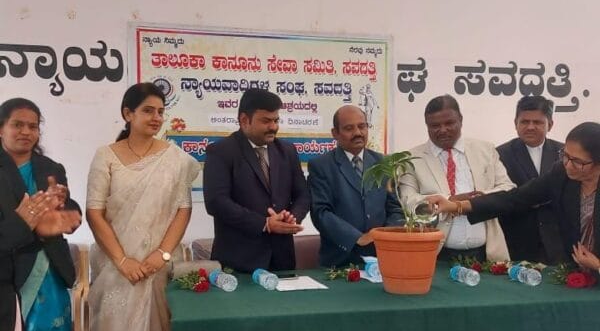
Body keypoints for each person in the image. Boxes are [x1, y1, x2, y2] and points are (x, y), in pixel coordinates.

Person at [86, 83, 199, 331]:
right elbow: (94, 212)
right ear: (128, 114)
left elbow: (183, 210)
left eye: (161, 112)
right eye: (148, 111)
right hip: (116, 270)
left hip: (157, 268)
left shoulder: (175, 158)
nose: (156, 118)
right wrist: (123, 261)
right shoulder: (106, 155)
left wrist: (161, 254)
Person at [428, 122, 600, 271]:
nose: (568, 165)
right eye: (565, 156)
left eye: (578, 162)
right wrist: (458, 206)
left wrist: (597, 265)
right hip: (576, 271)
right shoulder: (561, 173)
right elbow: (515, 199)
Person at [0, 98, 82, 331]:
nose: (26, 131)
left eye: (33, 126)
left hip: (49, 271)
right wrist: (24, 222)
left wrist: (65, 211)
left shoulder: (51, 168)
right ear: (1, 128)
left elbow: (69, 212)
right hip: (7, 279)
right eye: (17, 125)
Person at [203, 88, 310, 272]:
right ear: (244, 120)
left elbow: (303, 195)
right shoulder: (221, 152)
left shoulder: (287, 151)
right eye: (266, 121)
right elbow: (216, 203)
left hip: (281, 260)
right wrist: (264, 223)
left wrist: (291, 218)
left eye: (276, 120)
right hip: (239, 262)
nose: (273, 127)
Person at [399, 94, 514, 262]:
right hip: (436, 254)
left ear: (460, 120)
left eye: (449, 123)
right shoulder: (411, 158)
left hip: (486, 254)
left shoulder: (486, 150)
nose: (443, 130)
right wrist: (449, 201)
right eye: (435, 125)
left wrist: (475, 201)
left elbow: (508, 189)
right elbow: (407, 201)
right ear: (427, 125)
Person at [308, 105, 403, 267]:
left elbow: (396, 208)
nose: (358, 133)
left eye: (362, 126)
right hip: (340, 260)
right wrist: (357, 237)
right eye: (349, 128)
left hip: (382, 256)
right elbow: (321, 213)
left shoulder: (384, 163)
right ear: (335, 133)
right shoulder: (321, 166)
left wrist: (384, 235)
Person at [496, 96, 564, 264]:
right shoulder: (499, 154)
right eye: (525, 122)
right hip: (516, 244)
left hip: (557, 244)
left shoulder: (564, 154)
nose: (530, 127)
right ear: (515, 123)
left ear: (550, 124)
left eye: (537, 122)